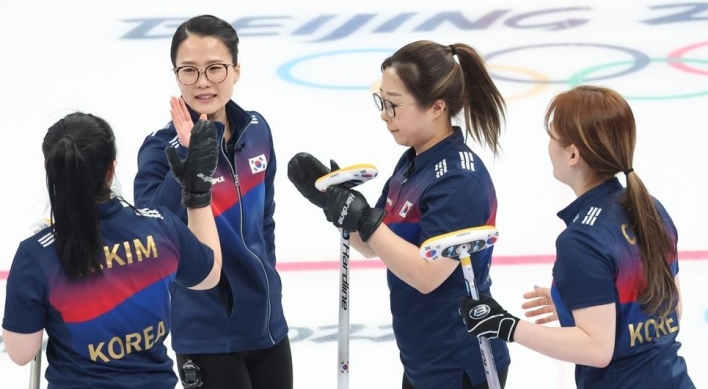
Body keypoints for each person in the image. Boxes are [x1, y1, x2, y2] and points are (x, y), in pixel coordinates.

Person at [288, 40, 510, 389]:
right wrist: (334, 206)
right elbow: (374, 245)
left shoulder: (460, 180)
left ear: (436, 107)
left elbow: (427, 274)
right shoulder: (412, 162)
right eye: (382, 102)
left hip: (462, 362)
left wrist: (363, 218)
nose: (383, 114)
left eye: (393, 105)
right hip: (422, 357)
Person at [459, 85, 696, 388]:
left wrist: (507, 326)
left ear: (573, 154)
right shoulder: (651, 208)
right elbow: (671, 309)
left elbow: (596, 349)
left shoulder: (581, 240)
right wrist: (579, 301)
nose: (549, 146)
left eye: (552, 137)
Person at [2, 112, 222, 389]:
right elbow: (210, 274)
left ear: (51, 170)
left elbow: (21, 353)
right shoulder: (160, 225)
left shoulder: (36, 255)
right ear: (111, 169)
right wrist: (197, 194)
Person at [133, 14, 291, 389]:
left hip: (267, 323)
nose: (203, 82)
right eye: (189, 71)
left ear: (236, 70)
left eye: (215, 69)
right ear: (176, 76)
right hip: (205, 332)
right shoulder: (159, 149)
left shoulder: (257, 130)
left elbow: (265, 219)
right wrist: (187, 162)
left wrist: (267, 277)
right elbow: (149, 231)